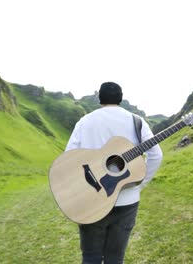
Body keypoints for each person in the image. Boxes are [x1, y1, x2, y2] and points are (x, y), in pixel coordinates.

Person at [65, 82, 163, 264]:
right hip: (127, 201)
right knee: (115, 259)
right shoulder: (137, 121)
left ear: (100, 98)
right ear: (121, 98)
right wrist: (138, 185)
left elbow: (68, 158)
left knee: (91, 257)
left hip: (90, 200)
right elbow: (156, 155)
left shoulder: (85, 121)